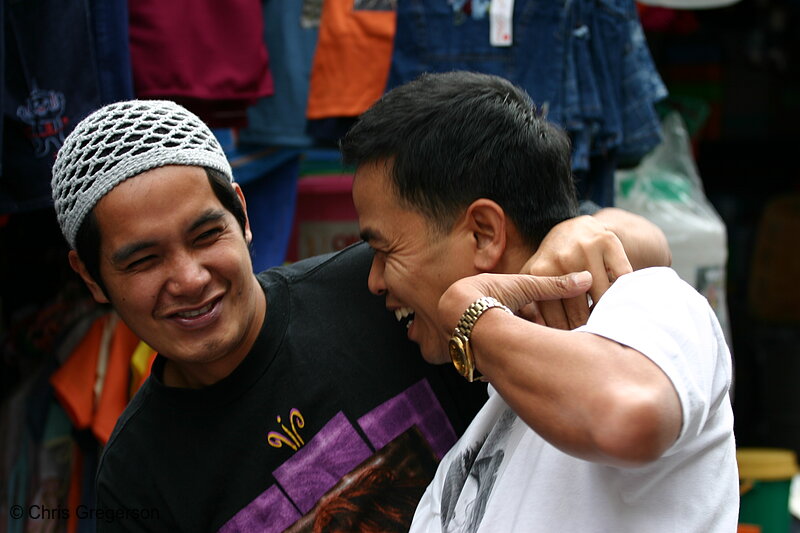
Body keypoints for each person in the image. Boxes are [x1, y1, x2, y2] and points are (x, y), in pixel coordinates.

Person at [50, 99, 669, 532]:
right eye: (143, 261)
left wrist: (582, 232)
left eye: (205, 234)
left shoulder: (382, 287)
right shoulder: (137, 475)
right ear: (91, 277)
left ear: (241, 213)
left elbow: (635, 244)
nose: (188, 278)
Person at [339, 70, 738, 532]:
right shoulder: (476, 443)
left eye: (385, 250)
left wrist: (467, 313)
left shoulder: (643, 300)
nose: (374, 281)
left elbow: (628, 417)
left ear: (483, 233)